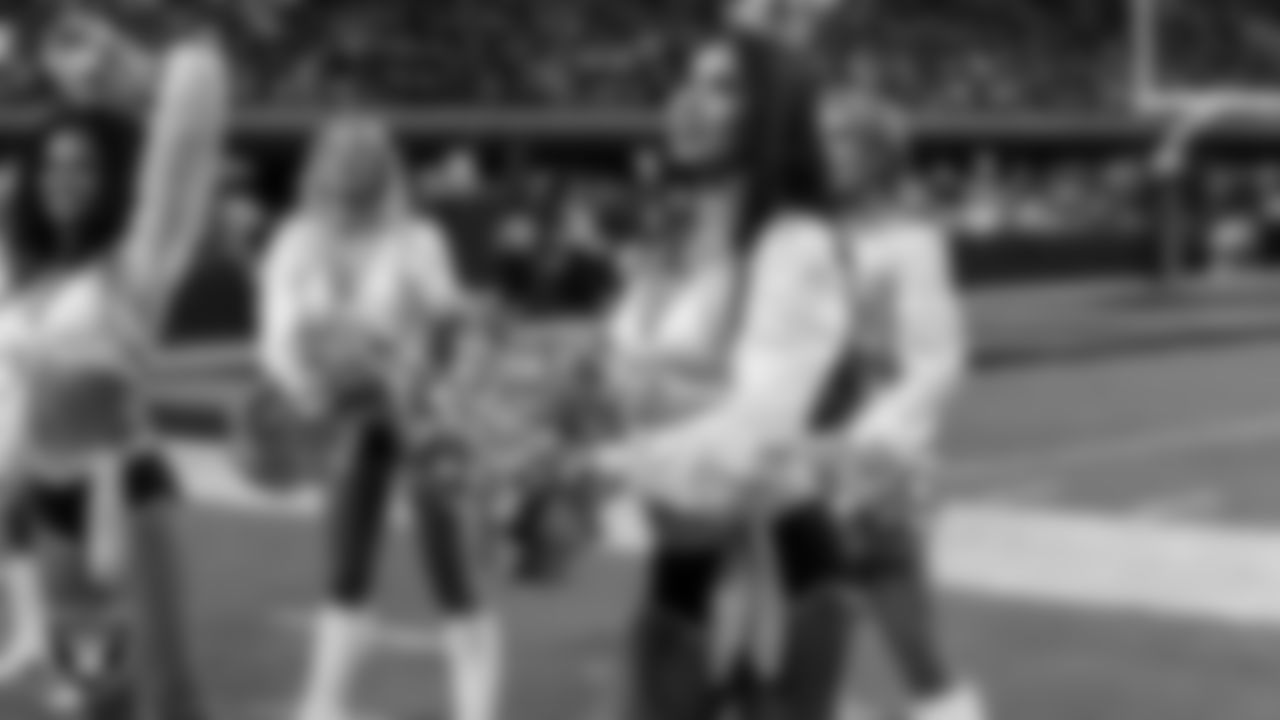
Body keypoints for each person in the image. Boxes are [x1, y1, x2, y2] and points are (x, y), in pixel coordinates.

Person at [586, 31, 859, 720]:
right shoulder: (671, 239)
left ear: (770, 112)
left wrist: (606, 463)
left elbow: (761, 422)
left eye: (723, 85)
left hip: (777, 582)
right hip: (684, 571)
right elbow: (619, 373)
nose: (691, 99)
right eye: (690, 79)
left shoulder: (794, 244)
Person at [0, 4, 229, 718]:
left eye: (86, 167)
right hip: (51, 502)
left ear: (113, 181)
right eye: (53, 165)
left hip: (125, 492)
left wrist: (134, 69)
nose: (65, 179)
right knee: (87, 699)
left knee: (168, 697)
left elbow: (198, 100)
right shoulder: (26, 276)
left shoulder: (138, 261)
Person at [249, 112, 500, 720]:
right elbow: (277, 334)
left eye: (365, 155)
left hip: (423, 414)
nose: (350, 168)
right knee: (345, 564)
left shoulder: (419, 239)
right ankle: (322, 705)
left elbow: (450, 323)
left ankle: (477, 710)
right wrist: (311, 386)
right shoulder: (294, 240)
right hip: (345, 418)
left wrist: (436, 377)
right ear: (320, 166)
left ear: (386, 167)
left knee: (450, 568)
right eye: (338, 155)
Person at [819, 89, 986, 720]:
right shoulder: (796, 236)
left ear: (878, 156)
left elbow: (937, 362)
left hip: (872, 465)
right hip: (790, 462)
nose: (819, 149)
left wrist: (868, 448)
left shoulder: (911, 243)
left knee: (911, 641)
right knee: (798, 643)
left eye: (839, 137)